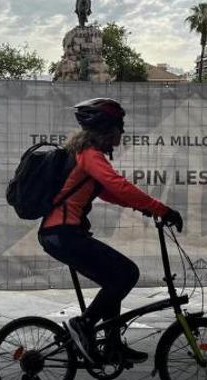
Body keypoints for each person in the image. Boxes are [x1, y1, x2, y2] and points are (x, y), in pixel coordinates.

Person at [38, 98, 183, 364]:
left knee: (115, 278)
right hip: (62, 233)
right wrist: (161, 208)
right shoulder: (89, 154)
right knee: (127, 273)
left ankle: (112, 346)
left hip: (62, 234)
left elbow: (106, 192)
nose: (122, 132)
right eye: (120, 126)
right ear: (107, 128)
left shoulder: (85, 153)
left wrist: (143, 208)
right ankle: (84, 324)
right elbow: (118, 185)